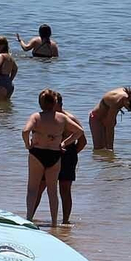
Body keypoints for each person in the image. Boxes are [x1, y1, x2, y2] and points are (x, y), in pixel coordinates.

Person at [23, 89, 86, 226]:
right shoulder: (57, 118)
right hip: (54, 153)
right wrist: (61, 143)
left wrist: (67, 149)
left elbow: (82, 139)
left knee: (60, 188)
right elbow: (79, 132)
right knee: (46, 188)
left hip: (58, 154)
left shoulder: (65, 118)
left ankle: (62, 220)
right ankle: (43, 220)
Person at [54, 92, 87, 224]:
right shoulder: (47, 117)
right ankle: (31, 217)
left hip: (67, 154)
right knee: (41, 186)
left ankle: (65, 221)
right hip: (50, 153)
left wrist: (70, 154)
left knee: (65, 189)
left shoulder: (70, 119)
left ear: (60, 104)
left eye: (53, 102)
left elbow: (83, 141)